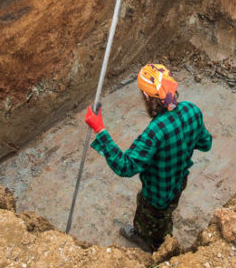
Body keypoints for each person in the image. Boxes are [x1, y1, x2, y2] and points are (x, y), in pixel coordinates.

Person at [84, 63, 212, 252]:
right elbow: (205, 143)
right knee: (167, 211)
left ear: (146, 95)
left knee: (150, 216)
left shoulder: (155, 131)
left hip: (156, 194)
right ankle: (161, 234)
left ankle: (151, 242)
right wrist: (183, 144)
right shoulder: (192, 110)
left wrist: (100, 129)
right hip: (178, 182)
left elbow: (125, 166)